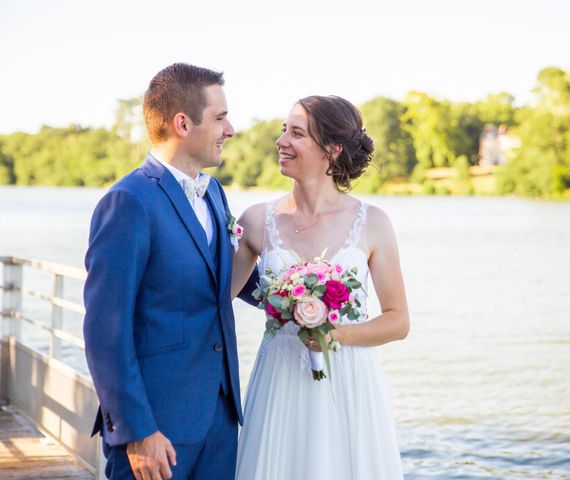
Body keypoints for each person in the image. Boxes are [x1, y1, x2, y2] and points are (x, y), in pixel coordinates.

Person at [83, 63, 257, 480]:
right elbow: (106, 330)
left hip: (219, 417)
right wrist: (138, 430)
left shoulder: (214, 192)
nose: (230, 129)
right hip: (156, 426)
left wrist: (311, 292)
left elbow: (224, 280)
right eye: (220, 118)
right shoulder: (128, 202)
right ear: (183, 123)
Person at [231, 95, 410, 478]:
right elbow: (213, 298)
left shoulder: (373, 222)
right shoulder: (256, 221)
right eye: (283, 131)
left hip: (348, 381)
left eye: (296, 133)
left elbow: (398, 321)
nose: (281, 141)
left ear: (332, 149)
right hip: (279, 378)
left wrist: (338, 335)